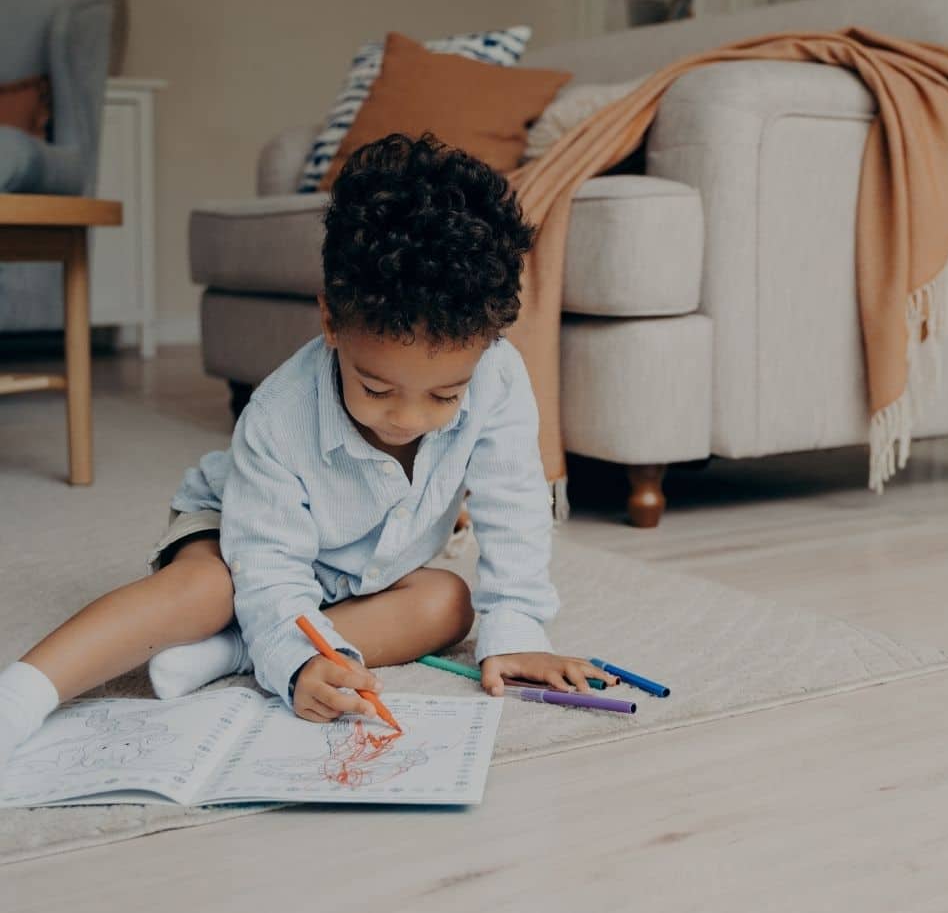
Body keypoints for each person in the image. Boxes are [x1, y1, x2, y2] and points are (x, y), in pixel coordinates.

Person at [0, 133, 614, 770]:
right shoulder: (278, 413)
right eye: (376, 387)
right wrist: (296, 667)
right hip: (237, 538)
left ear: (487, 345)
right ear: (330, 322)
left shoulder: (500, 375)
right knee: (211, 590)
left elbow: (513, 504)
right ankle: (23, 693)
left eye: (444, 395)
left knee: (448, 605)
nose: (406, 419)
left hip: (351, 571)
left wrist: (516, 629)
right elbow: (266, 563)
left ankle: (230, 652)